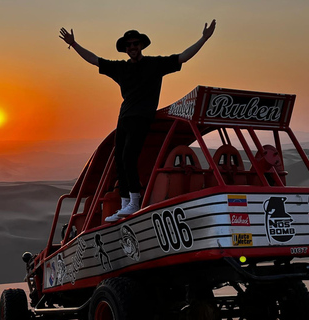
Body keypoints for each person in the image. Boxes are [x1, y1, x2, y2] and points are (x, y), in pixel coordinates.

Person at [59, 20, 216, 222]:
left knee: (129, 158)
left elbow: (182, 57)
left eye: (135, 43)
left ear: (141, 45)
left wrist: (203, 38)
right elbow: (95, 60)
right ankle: (125, 204)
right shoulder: (121, 69)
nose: (132, 47)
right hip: (124, 117)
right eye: (129, 45)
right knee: (119, 161)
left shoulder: (154, 65)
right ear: (125, 49)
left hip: (142, 117)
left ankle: (134, 200)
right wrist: (74, 44)